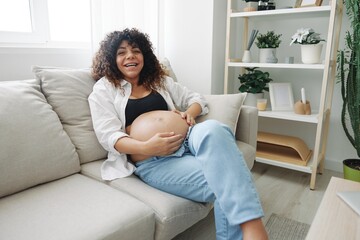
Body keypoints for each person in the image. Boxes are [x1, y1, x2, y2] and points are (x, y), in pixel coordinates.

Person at [88, 28, 268, 240]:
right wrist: (146, 147)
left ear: (144, 55)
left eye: (136, 50)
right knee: (226, 179)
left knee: (215, 128)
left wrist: (189, 114)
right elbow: (109, 136)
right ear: (111, 59)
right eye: (121, 52)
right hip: (155, 161)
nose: (130, 56)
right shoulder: (105, 89)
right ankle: (254, 229)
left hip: (190, 138)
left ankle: (252, 228)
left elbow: (197, 99)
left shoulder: (159, 81)